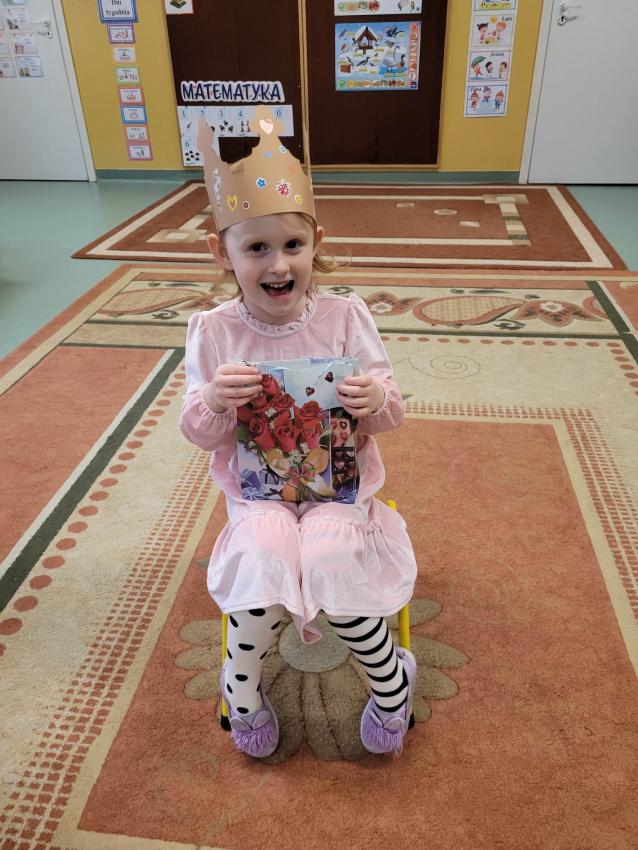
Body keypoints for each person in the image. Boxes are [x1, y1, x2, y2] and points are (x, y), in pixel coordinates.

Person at [180, 107, 417, 759]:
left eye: (292, 245)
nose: (278, 264)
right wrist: (214, 399)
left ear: (316, 243)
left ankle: (392, 684)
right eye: (256, 248)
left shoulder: (345, 316)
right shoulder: (214, 331)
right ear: (221, 253)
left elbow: (391, 410)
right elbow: (197, 430)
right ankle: (241, 691)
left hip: (338, 492)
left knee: (332, 561)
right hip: (259, 497)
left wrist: (374, 399)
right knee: (263, 563)